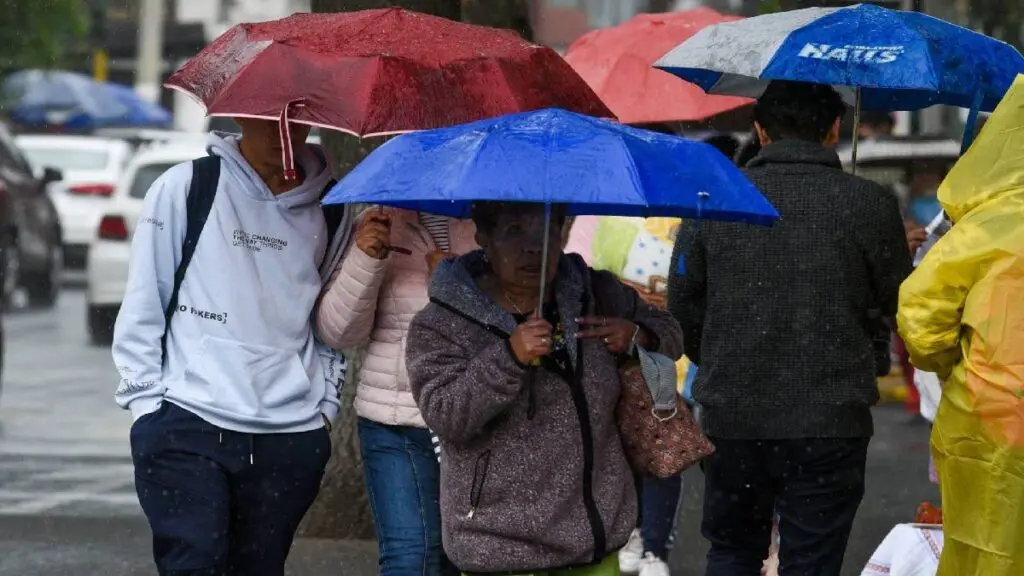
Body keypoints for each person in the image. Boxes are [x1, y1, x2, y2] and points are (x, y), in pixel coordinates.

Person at [668, 80, 913, 576]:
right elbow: (900, 300)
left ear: (760, 129)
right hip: (831, 416)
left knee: (734, 551)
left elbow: (684, 307)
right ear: (834, 129)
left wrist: (720, 358)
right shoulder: (869, 203)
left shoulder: (713, 201)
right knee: (811, 561)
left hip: (733, 413)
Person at [113, 118, 348, 575]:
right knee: (195, 564)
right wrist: (147, 406)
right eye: (271, 116)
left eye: (296, 117)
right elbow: (145, 299)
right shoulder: (186, 186)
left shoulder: (333, 207)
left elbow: (330, 323)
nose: (285, 130)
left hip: (290, 434)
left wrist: (325, 410)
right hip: (187, 420)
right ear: (242, 114)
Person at [406, 202, 684, 576]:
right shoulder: (441, 322)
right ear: (483, 238)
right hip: (499, 549)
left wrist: (638, 334)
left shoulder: (597, 291)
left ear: (563, 233)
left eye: (546, 231)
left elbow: (672, 335)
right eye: (515, 230)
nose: (533, 247)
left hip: (594, 544)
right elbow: (447, 416)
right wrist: (509, 357)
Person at [897, 76, 1024, 576]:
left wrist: (951, 365)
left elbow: (921, 315)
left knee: (986, 544)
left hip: (989, 416)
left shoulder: (986, 226)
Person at [316, 207, 477, 575]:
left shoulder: (492, 221)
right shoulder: (380, 220)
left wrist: (453, 289)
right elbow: (339, 333)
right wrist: (365, 259)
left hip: (473, 420)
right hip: (394, 422)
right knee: (411, 557)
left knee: (466, 559)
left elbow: (509, 330)